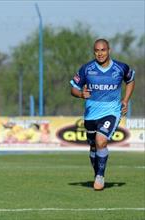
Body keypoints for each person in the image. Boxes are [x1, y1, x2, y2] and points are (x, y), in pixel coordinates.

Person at [70, 39, 135, 191]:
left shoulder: (121, 67)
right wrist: (81, 94)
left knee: (101, 141)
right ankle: (97, 173)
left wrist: (125, 100)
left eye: (103, 50)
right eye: (97, 51)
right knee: (93, 146)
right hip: (91, 114)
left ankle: (100, 176)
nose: (100, 53)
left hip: (111, 112)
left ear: (109, 50)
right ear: (94, 52)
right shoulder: (87, 69)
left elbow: (130, 80)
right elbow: (73, 88)